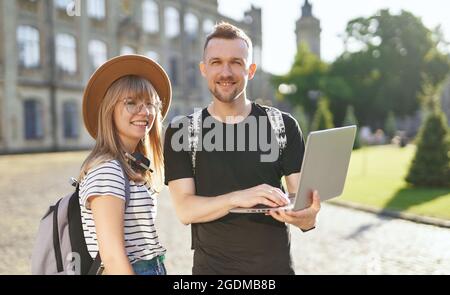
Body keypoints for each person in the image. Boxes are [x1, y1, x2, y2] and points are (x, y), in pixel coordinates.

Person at [164, 22, 321, 275]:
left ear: (251, 69)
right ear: (204, 69)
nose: (226, 72)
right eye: (216, 62)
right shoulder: (182, 131)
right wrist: (239, 197)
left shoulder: (282, 125)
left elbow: (302, 205)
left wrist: (307, 216)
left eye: (236, 62)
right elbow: (185, 210)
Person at [79, 55, 171, 275]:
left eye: (150, 103)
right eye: (131, 103)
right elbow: (111, 257)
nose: (145, 111)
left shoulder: (131, 166)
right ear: (109, 109)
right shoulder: (108, 170)